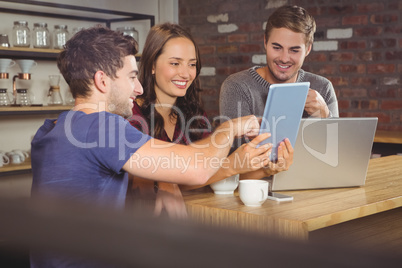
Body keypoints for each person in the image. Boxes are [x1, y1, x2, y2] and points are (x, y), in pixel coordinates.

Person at [29, 25, 270, 268]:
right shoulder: (103, 127)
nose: (139, 88)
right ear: (102, 81)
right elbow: (198, 168)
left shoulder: (53, 128)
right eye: (132, 77)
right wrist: (229, 129)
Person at [127, 23, 292, 218]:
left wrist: (266, 167)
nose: (186, 73)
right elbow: (141, 184)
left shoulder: (194, 116)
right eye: (175, 63)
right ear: (152, 65)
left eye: (192, 64)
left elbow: (212, 174)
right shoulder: (131, 114)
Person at [220, 5, 339, 173]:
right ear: (265, 42)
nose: (284, 58)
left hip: (311, 186)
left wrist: (325, 116)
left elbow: (337, 157)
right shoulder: (238, 86)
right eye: (277, 47)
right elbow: (234, 162)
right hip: (257, 189)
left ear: (308, 49)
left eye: (294, 50)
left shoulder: (323, 87)